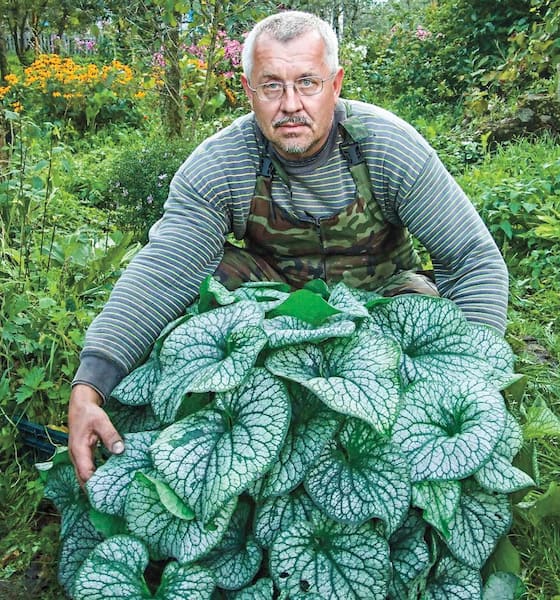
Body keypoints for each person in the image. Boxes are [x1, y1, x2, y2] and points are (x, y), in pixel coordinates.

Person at [68, 10, 509, 485]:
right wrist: (91, 383)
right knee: (207, 279)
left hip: (383, 301)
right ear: (249, 91)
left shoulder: (387, 146)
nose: (291, 104)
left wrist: (473, 378)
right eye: (272, 86)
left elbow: (471, 259)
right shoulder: (222, 164)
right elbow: (164, 272)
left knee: (427, 304)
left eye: (307, 83)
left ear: (336, 85)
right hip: (276, 313)